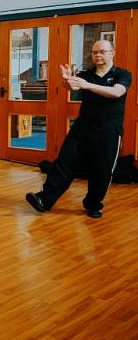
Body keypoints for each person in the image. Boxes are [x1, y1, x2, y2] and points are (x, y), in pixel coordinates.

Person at [26, 40, 131, 218]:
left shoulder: (123, 74)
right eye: (94, 52)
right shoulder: (86, 74)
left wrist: (86, 85)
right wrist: (67, 80)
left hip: (108, 131)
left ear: (112, 53)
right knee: (64, 162)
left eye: (103, 52)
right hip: (82, 127)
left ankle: (93, 204)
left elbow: (116, 93)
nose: (98, 55)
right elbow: (72, 87)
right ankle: (44, 199)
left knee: (102, 170)